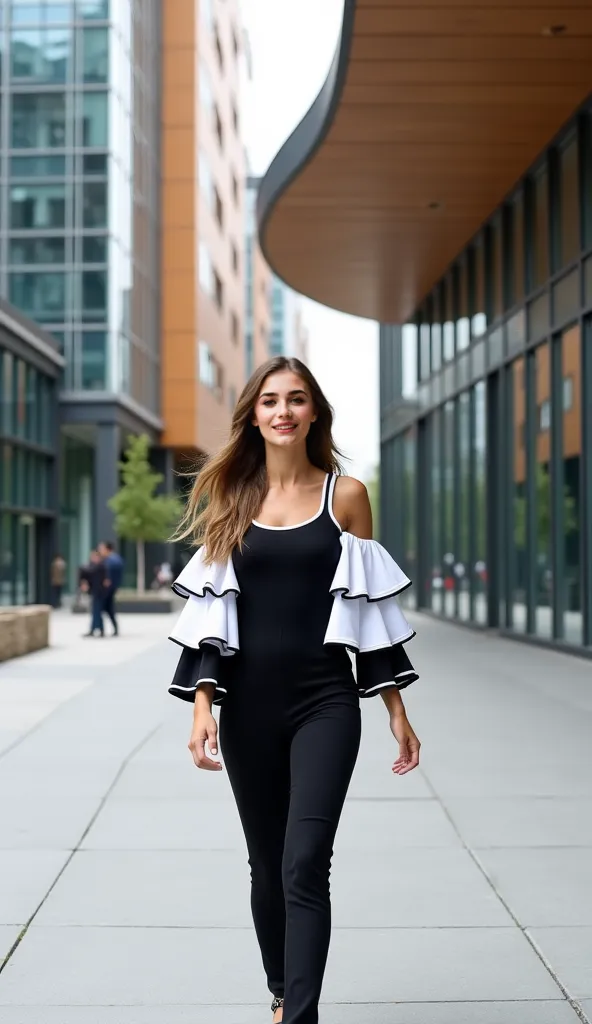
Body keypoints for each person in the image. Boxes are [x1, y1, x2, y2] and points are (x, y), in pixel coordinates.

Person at [167, 357, 421, 1024]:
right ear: (253, 414)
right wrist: (202, 709)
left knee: (305, 861)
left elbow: (368, 613)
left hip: (326, 702)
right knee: (266, 865)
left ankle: (299, 1018)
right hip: (248, 707)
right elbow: (210, 618)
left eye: (297, 399)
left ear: (314, 413)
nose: (284, 411)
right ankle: (282, 992)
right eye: (271, 400)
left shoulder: (347, 497)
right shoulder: (234, 500)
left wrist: (397, 708)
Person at [98, 541, 123, 637]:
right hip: (111, 588)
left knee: (102, 607)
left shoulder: (112, 561)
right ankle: (111, 628)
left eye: (101, 548)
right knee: (108, 609)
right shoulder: (113, 559)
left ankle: (102, 629)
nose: (100, 551)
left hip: (108, 589)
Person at [81, 549, 106, 637]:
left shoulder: (101, 567)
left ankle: (98, 629)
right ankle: (96, 629)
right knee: (95, 612)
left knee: (97, 611)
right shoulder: (93, 566)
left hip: (99, 592)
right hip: (94, 591)